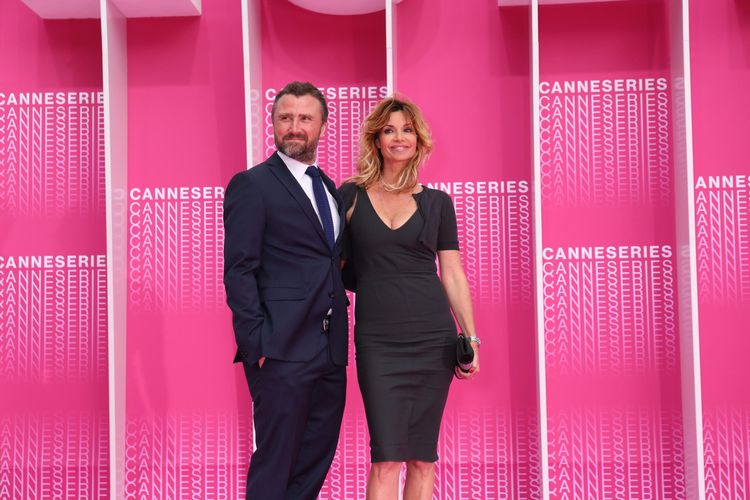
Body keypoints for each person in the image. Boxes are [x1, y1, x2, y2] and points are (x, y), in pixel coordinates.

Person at [339, 96, 481, 500]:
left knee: (422, 458)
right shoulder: (349, 196)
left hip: (433, 339)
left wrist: (470, 337)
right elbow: (334, 266)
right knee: (385, 458)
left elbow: (451, 272)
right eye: (389, 130)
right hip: (378, 342)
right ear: (376, 140)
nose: (398, 137)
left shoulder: (438, 203)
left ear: (418, 140)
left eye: (406, 130)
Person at [223, 81, 349, 500]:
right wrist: (256, 344)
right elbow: (239, 270)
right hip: (279, 351)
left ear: (323, 126)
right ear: (274, 123)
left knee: (313, 464)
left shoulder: (329, 188)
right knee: (275, 465)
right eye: (285, 118)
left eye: (305, 118)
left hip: (330, 352)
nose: (294, 127)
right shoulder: (252, 184)